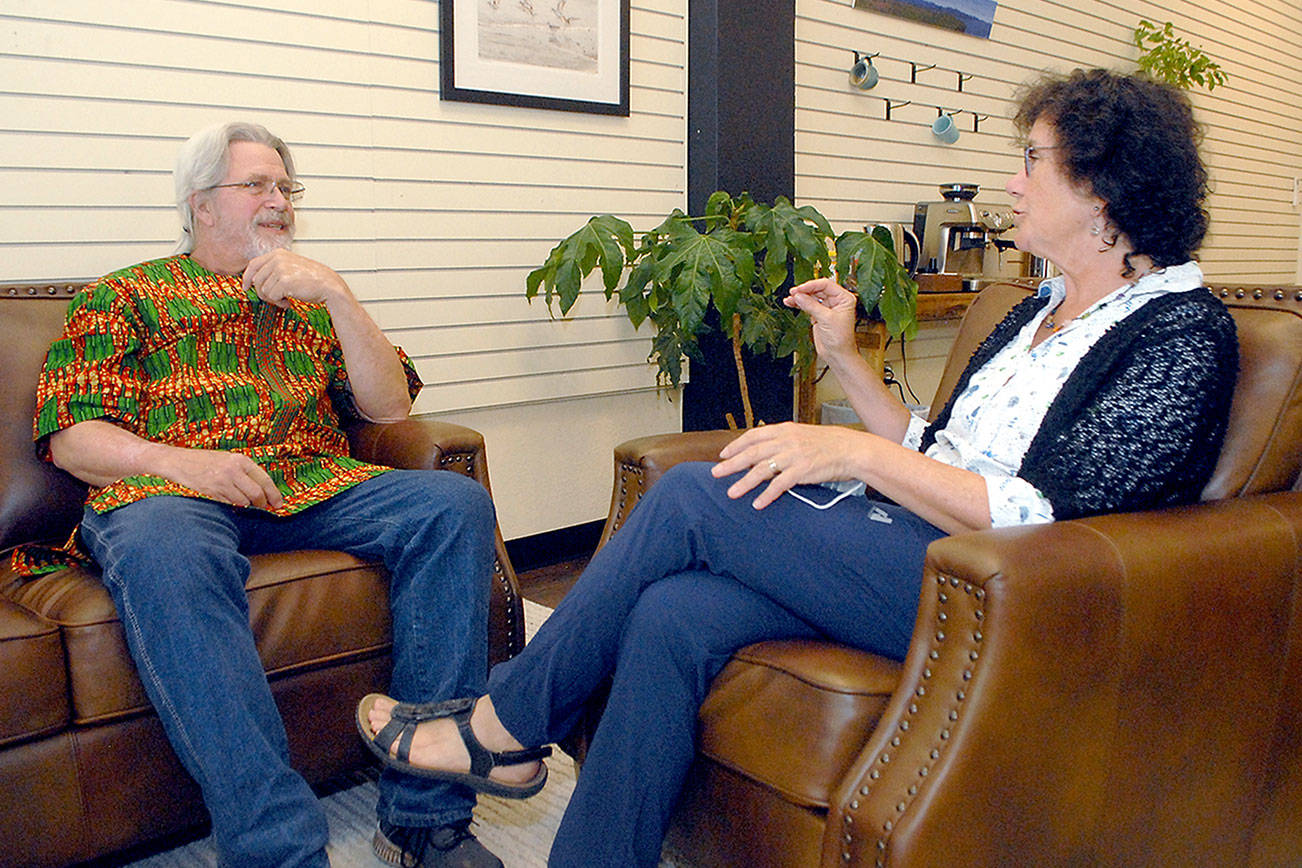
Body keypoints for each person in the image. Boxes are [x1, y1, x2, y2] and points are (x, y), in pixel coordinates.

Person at [356, 68, 1239, 867]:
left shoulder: (1182, 333)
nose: (1012, 180)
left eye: (1032, 160)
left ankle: (504, 724)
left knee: (695, 499)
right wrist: (846, 359)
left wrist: (849, 449)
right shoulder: (1032, 310)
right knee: (673, 612)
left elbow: (1044, 516)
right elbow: (934, 453)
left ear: (1102, 185)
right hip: (916, 549)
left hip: (1013, 599)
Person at [16, 122, 505, 868]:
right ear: (200, 204)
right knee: (162, 542)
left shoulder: (309, 302)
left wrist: (338, 296)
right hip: (170, 497)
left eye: (286, 188)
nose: (278, 201)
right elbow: (71, 436)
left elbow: (388, 410)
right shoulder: (125, 297)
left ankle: (421, 818)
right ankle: (277, 849)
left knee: (452, 505)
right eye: (258, 185)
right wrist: (186, 464)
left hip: (306, 485)